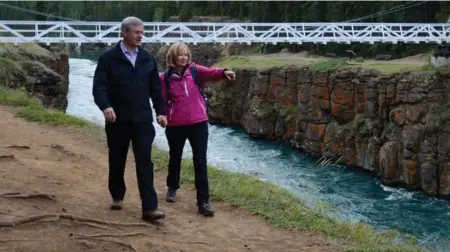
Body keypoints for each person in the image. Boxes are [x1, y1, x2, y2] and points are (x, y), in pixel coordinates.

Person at [92, 16, 168, 222]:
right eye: (136, 32)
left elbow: (156, 89)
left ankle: (149, 208)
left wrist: (160, 112)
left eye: (142, 32)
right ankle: (117, 195)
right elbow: (99, 87)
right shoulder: (109, 58)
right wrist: (106, 106)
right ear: (124, 33)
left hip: (143, 120)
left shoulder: (147, 59)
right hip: (118, 121)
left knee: (145, 162)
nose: (140, 36)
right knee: (117, 159)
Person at [160, 42, 236, 217]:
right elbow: (162, 100)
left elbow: (211, 72)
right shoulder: (165, 78)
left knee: (200, 161)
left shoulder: (195, 71)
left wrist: (225, 72)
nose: (184, 57)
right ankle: (172, 187)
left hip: (198, 123)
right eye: (180, 55)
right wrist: (162, 115)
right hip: (176, 125)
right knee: (175, 157)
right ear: (173, 57)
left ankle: (203, 201)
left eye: (186, 54)